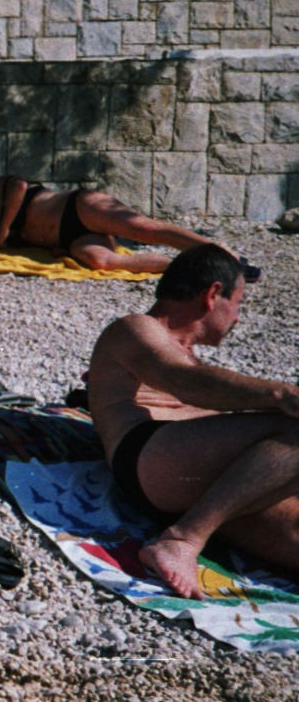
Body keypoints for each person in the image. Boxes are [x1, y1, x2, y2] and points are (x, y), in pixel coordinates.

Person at [86, 243, 298, 599]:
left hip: (200, 478)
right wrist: (281, 394)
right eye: (239, 303)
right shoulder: (136, 328)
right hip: (149, 456)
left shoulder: (188, 356)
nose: (237, 318)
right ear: (214, 294)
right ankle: (183, 539)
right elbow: (181, 382)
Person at [0, 174, 229, 276]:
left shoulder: (7, 186)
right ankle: (186, 268)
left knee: (143, 229)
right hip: (72, 238)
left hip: (79, 207)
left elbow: (20, 186)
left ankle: (221, 254)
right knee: (102, 261)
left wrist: (5, 229)